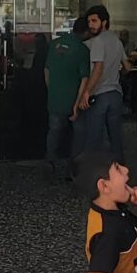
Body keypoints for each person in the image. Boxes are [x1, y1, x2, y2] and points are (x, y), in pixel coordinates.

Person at [45, 16, 91, 181]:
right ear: (85, 32)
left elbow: (47, 71)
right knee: (79, 133)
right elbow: (84, 79)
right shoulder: (82, 50)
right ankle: (73, 169)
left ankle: (51, 163)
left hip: (55, 97)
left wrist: (52, 90)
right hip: (73, 100)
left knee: (54, 132)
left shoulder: (54, 44)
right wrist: (78, 103)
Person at [80, 5, 127, 160]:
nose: (90, 25)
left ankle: (93, 174)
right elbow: (127, 66)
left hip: (99, 95)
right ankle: (120, 173)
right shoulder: (116, 41)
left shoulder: (98, 41)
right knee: (116, 139)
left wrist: (87, 92)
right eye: (89, 21)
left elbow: (98, 68)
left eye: (94, 21)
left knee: (94, 138)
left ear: (104, 22)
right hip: (116, 94)